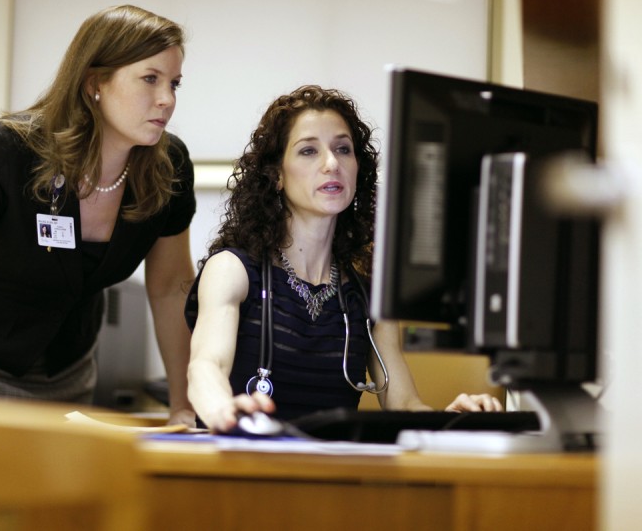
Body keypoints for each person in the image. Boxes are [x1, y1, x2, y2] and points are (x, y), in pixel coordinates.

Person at [0, 5, 196, 425]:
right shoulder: (10, 150)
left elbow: (170, 289)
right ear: (95, 81)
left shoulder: (169, 167)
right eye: (150, 79)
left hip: (66, 376)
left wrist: (183, 405)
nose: (167, 100)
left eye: (174, 83)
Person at [185, 85, 502, 432]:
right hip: (235, 466)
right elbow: (206, 366)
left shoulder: (368, 294)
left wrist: (453, 419)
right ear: (276, 175)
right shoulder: (233, 269)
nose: (332, 164)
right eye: (308, 151)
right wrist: (221, 410)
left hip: (329, 476)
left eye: (343, 149)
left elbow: (404, 404)